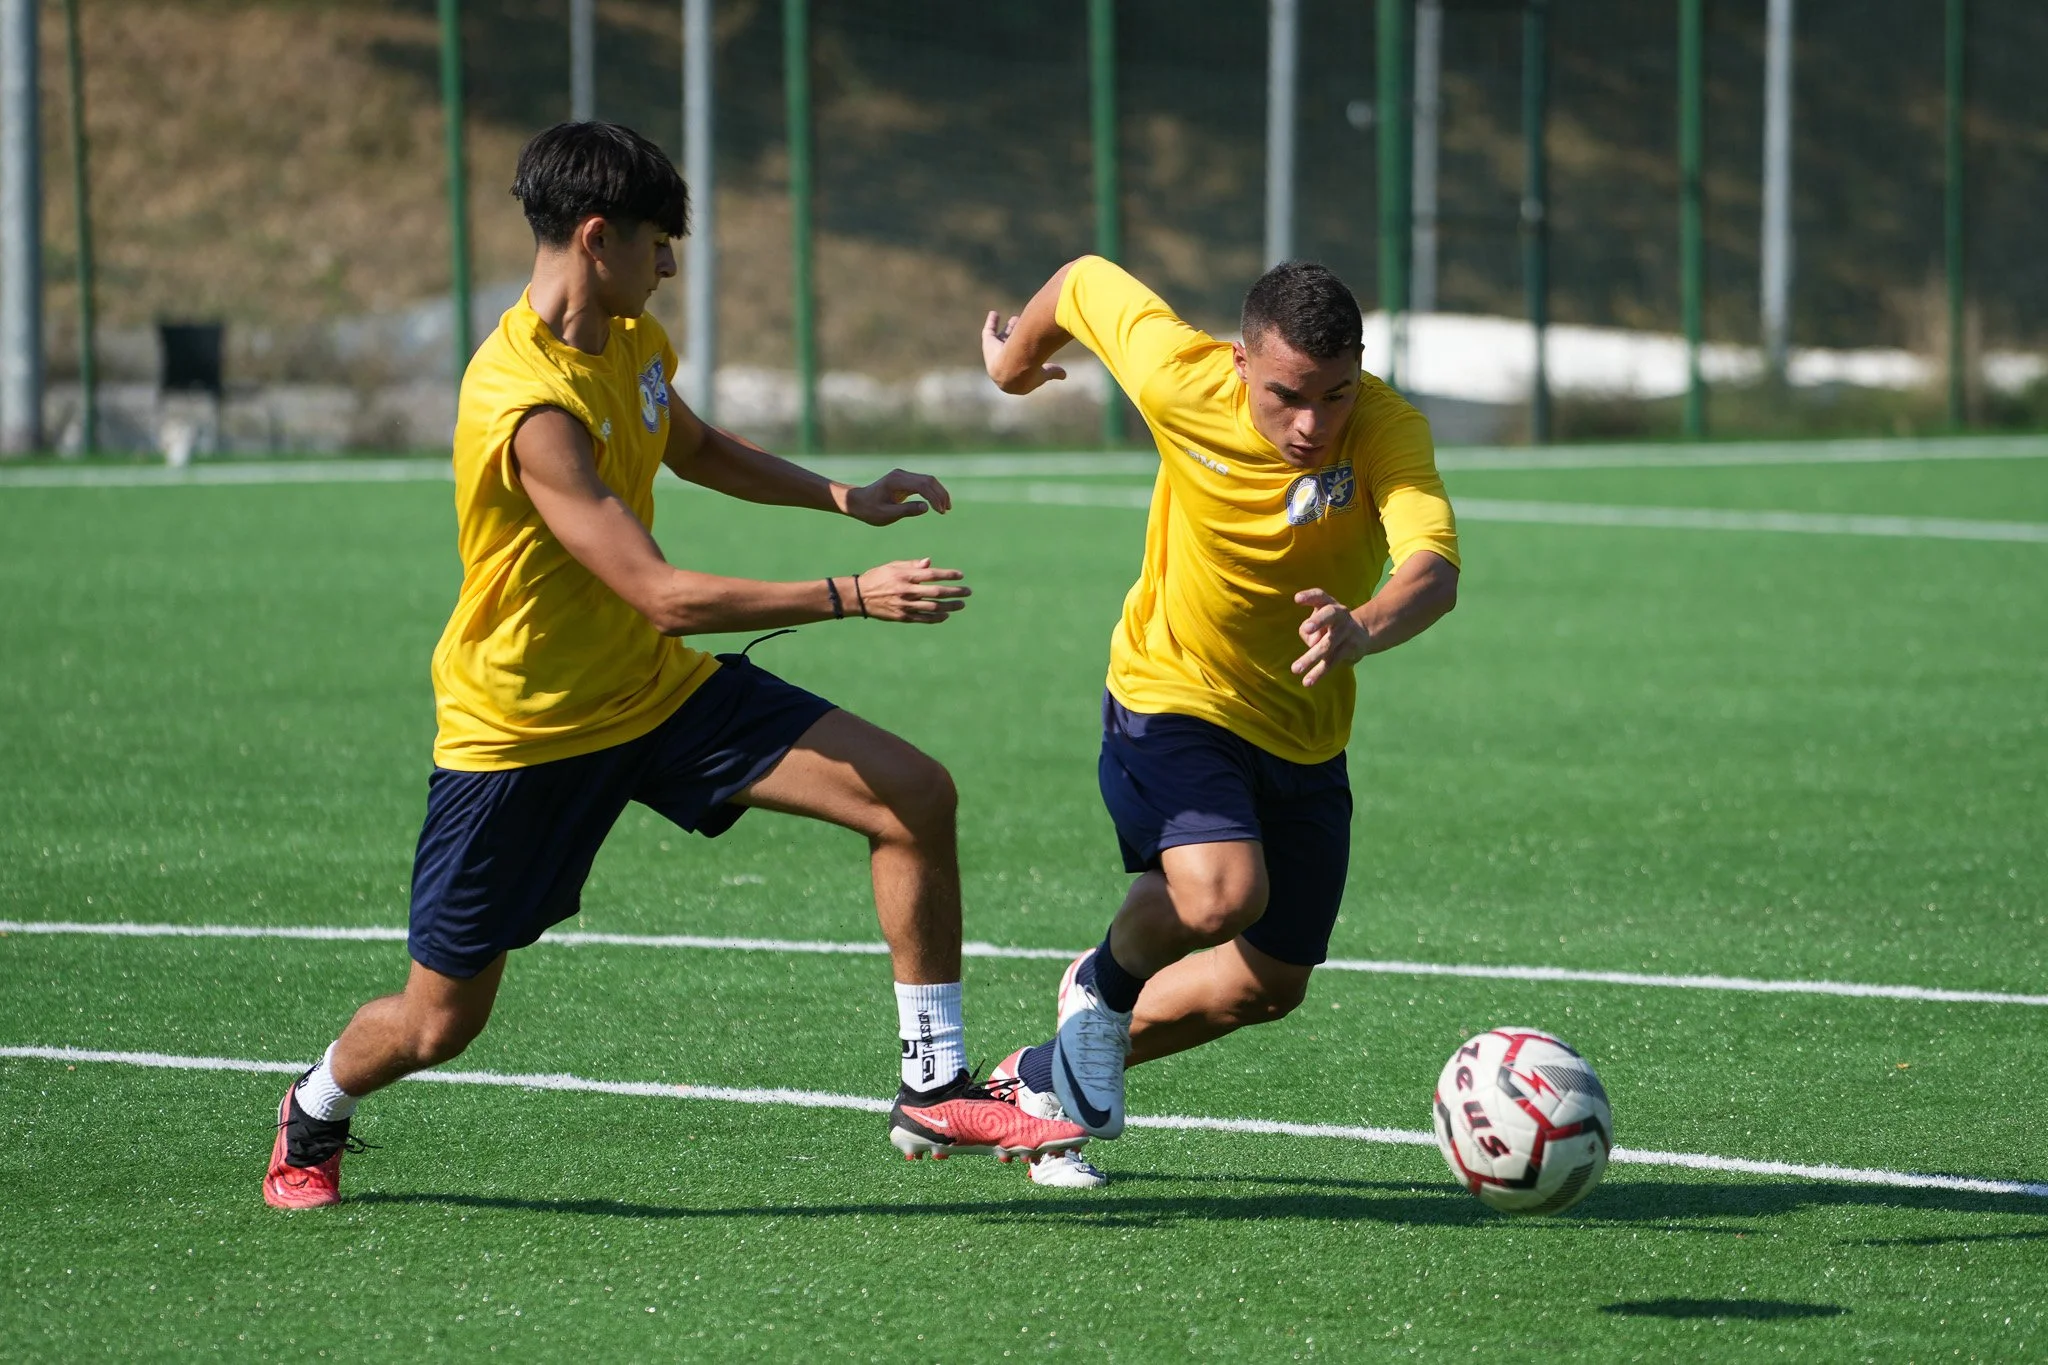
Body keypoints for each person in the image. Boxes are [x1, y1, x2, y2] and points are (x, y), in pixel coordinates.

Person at [263, 122, 1085, 1209]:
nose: (668, 266)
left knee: (913, 794)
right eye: (659, 245)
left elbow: (690, 447)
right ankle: (313, 1109)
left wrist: (842, 498)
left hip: (651, 691)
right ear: (596, 238)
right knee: (437, 1023)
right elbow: (659, 591)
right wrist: (850, 593)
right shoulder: (528, 405)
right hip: (524, 732)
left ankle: (930, 1083)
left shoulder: (633, 343)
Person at [976, 255, 1461, 1187]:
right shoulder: (1178, 373)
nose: (1313, 424)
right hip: (1171, 689)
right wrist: (1011, 364)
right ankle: (1104, 986)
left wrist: (1363, 626)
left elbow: (1432, 568)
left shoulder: (1389, 430)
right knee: (1219, 896)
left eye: (1336, 393)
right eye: (1288, 395)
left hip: (1305, 728)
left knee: (1266, 984)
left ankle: (1043, 1076)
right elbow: (1081, 281)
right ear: (1239, 362)